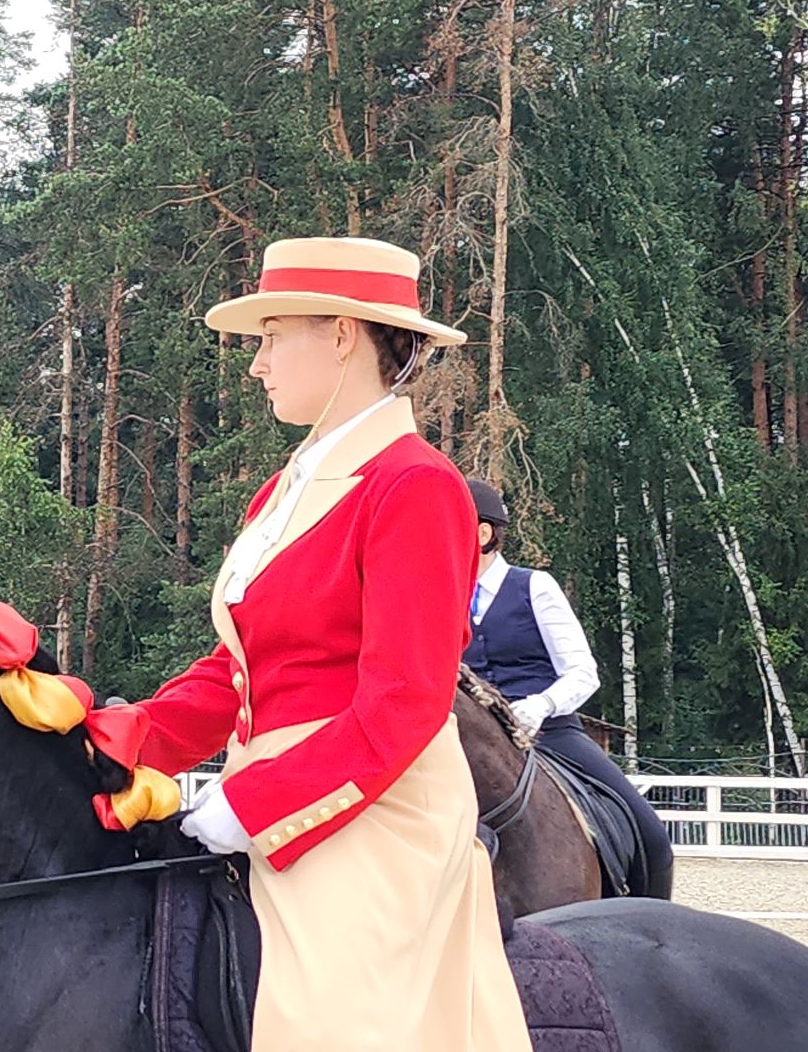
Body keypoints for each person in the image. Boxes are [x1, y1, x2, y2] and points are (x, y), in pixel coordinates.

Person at [91, 237, 531, 1052]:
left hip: (375, 810)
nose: (256, 366)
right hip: (271, 790)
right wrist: (128, 738)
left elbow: (405, 702)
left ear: (339, 334)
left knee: (323, 1027)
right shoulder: (283, 489)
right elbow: (236, 674)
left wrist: (254, 804)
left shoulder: (417, 485)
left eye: (270, 337)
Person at [463, 479, 675, 900]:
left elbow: (583, 672)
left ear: (483, 534)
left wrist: (539, 706)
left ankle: (650, 931)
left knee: (651, 836)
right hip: (469, 743)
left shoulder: (534, 587)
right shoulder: (441, 595)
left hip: (549, 734)